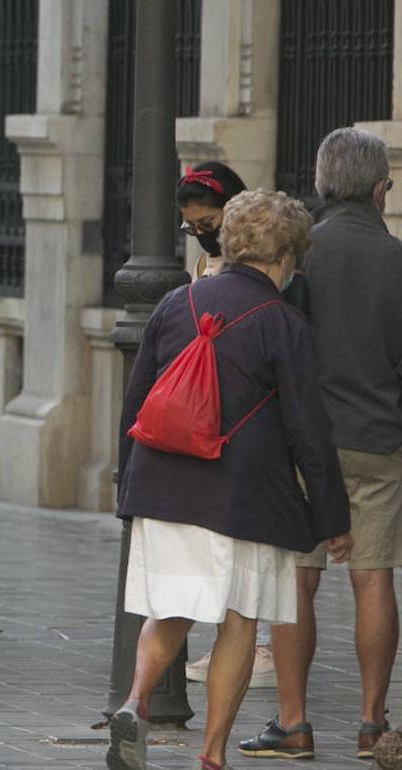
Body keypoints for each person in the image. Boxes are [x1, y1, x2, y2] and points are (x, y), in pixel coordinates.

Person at [106, 189, 352, 770]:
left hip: (163, 486)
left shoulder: (174, 304)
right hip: (244, 495)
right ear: (288, 257)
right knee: (239, 620)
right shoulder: (284, 323)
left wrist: (128, 492)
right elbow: (308, 434)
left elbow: (135, 404)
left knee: (169, 610)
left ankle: (135, 701)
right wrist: (331, 518)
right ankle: (212, 754)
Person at [240, 128, 402, 763]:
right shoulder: (397, 258)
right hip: (378, 441)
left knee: (295, 580)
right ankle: (371, 723)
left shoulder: (298, 255)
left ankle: (294, 722)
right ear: (379, 187)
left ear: (322, 183)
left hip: (302, 446)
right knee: (373, 578)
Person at [176, 162, 277, 690]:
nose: (201, 234)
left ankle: (255, 645)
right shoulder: (202, 265)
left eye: (208, 222)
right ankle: (228, 639)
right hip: (209, 413)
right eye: (191, 226)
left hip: (249, 414)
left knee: (246, 540)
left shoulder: (265, 265)